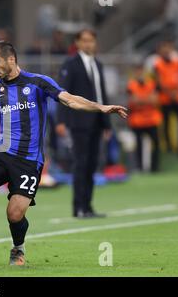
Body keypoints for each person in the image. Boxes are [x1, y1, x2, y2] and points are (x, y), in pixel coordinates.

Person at [0, 40, 127, 266]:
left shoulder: (37, 83)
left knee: (15, 213)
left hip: (28, 161)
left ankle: (18, 249)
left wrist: (101, 108)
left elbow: (70, 100)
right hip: (0, 152)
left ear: (11, 59)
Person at [56, 29, 115, 219]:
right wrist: (61, 120)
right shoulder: (70, 63)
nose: (89, 44)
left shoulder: (97, 64)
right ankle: (78, 207)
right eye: (85, 40)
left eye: (92, 40)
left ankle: (88, 206)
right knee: (80, 164)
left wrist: (107, 123)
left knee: (92, 164)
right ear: (78, 43)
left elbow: (101, 95)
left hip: (97, 121)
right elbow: (62, 93)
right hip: (79, 121)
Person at [127, 64, 163, 172]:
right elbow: (133, 102)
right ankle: (139, 167)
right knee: (138, 145)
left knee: (156, 145)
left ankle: (155, 168)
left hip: (152, 120)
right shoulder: (131, 85)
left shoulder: (152, 84)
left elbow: (155, 101)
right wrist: (148, 99)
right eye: (137, 71)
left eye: (141, 71)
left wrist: (140, 100)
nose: (140, 74)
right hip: (137, 121)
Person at [153, 39, 178, 155]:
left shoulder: (177, 62)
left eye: (168, 48)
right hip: (165, 99)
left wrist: (177, 92)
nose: (166, 50)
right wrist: (171, 93)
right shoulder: (158, 64)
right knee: (165, 123)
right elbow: (159, 82)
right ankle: (168, 148)